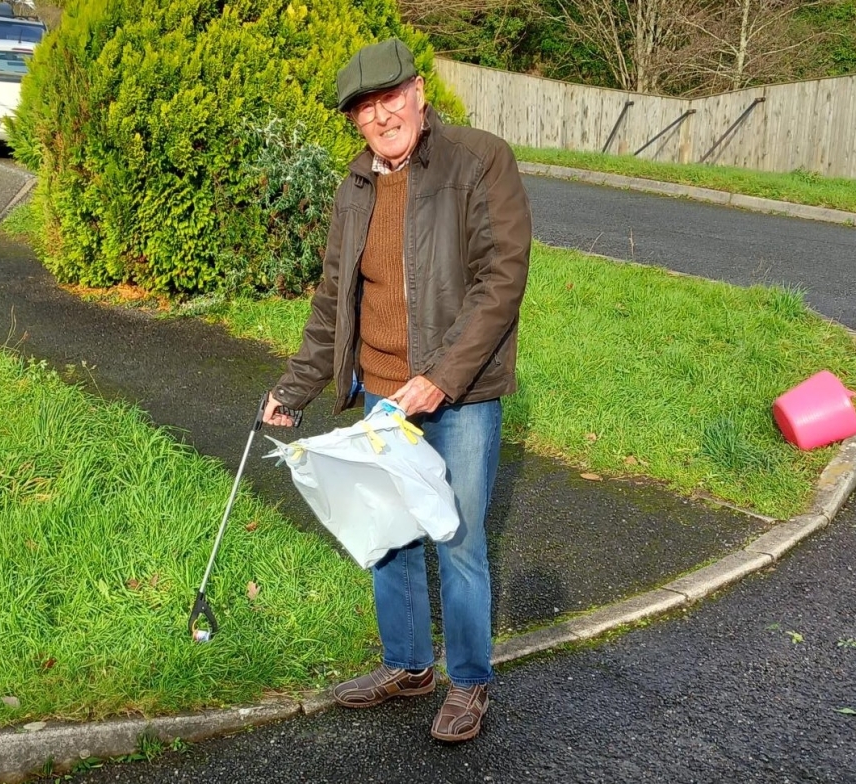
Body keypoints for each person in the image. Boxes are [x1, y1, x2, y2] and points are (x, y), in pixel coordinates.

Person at [262, 37, 532, 742]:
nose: (381, 118)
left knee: (459, 538)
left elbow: (499, 284)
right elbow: (332, 303)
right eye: (364, 110)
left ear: (417, 92)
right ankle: (409, 667)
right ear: (353, 121)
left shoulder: (479, 160)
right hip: (382, 396)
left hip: (461, 394)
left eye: (389, 100)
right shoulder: (353, 188)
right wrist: (293, 388)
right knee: (389, 539)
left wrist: (440, 379)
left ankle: (469, 683)